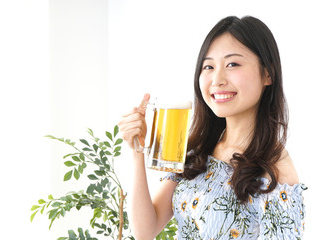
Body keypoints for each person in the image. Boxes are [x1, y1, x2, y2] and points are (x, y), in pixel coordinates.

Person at [118, 16, 307, 240]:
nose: (217, 79)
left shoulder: (275, 172)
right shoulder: (198, 149)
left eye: (232, 64)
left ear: (268, 74)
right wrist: (137, 151)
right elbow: (145, 231)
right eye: (208, 66)